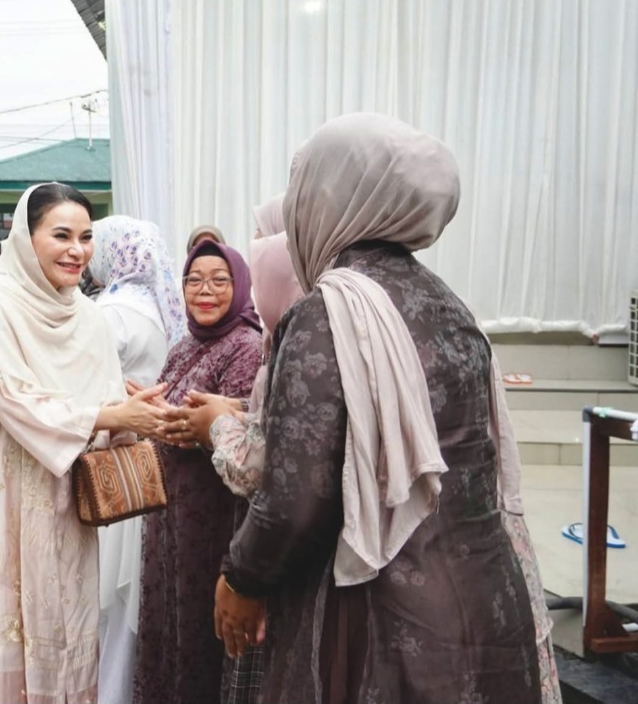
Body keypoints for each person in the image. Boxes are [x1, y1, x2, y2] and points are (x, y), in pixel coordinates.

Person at [215, 113, 555, 703]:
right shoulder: (447, 304)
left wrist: (240, 578)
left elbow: (297, 497)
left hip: (384, 624)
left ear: (330, 200)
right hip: (486, 610)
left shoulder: (327, 314)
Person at [0, 183, 168, 704]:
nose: (76, 250)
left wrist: (133, 413)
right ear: (26, 236)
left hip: (65, 509)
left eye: (86, 237)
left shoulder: (88, 316)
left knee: (62, 636)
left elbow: (104, 407)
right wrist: (108, 413)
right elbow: (16, 402)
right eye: (61, 235)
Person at [133, 240, 263, 704]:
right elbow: (170, 407)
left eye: (219, 281)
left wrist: (179, 423)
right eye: (194, 280)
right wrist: (143, 407)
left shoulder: (247, 347)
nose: (205, 291)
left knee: (201, 630)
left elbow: (235, 432)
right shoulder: (183, 345)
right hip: (170, 516)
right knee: (168, 621)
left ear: (240, 285)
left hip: (213, 519)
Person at [87, 215, 187, 704]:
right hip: (147, 464)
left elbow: (88, 387)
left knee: (102, 604)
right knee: (134, 600)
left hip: (111, 463)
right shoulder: (163, 307)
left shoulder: (109, 311)